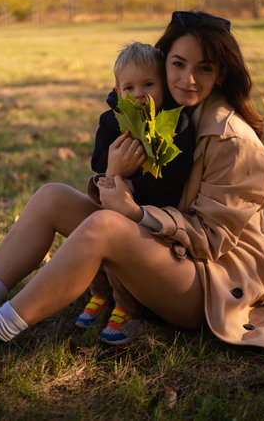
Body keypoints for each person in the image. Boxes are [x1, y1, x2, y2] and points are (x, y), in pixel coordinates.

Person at [0, 10, 264, 357]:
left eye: (204, 68)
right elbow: (127, 92)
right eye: (178, 64)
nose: (188, 79)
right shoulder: (161, 106)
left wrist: (136, 214)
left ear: (221, 72)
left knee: (106, 225)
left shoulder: (234, 142)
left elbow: (211, 241)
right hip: (164, 250)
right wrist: (115, 172)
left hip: (209, 281)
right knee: (51, 195)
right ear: (162, 66)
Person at [75, 41, 195, 345]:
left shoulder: (174, 123)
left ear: (164, 85)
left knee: (114, 241)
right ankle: (101, 292)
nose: (139, 93)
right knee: (94, 231)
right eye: (129, 87)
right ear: (117, 89)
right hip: (112, 198)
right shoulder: (111, 120)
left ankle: (127, 306)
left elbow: (173, 177)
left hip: (153, 213)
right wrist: (115, 168)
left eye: (148, 84)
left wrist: (131, 187)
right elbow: (99, 162)